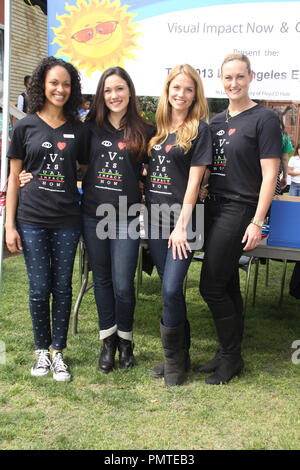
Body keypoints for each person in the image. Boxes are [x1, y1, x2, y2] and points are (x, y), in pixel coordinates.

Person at [195, 53, 282, 385]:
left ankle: (232, 358)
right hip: (214, 208)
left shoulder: (265, 119)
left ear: (251, 77)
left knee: (210, 285)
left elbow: (270, 175)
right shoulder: (216, 122)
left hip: (241, 210)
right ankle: (225, 350)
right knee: (227, 283)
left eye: (240, 77)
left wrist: (257, 221)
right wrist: (202, 188)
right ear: (221, 80)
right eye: (228, 78)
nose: (234, 83)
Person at [5, 57, 89, 382]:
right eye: (54, 83)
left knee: (63, 287)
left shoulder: (78, 130)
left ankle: (58, 352)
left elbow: (82, 171)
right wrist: (9, 225)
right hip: (31, 219)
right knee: (40, 288)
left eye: (66, 84)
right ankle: (41, 350)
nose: (60, 89)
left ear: (73, 89)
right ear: (42, 84)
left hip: (68, 219)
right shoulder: (25, 126)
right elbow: (14, 179)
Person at [82, 67, 154, 374]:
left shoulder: (145, 130)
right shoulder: (90, 128)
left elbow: (162, 168)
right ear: (102, 94)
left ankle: (126, 341)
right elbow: (69, 161)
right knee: (102, 280)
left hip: (126, 217)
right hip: (93, 214)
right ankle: (107, 343)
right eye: (108, 90)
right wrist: (27, 173)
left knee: (124, 283)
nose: (114, 95)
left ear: (130, 92)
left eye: (120, 89)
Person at [145, 64, 213, 386]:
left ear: (195, 94)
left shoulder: (199, 130)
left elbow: (194, 182)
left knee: (172, 287)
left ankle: (173, 363)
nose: (181, 94)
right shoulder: (157, 130)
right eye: (176, 88)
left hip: (183, 222)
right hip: (155, 220)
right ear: (167, 90)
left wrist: (182, 225)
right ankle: (180, 356)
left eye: (188, 89)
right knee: (169, 291)